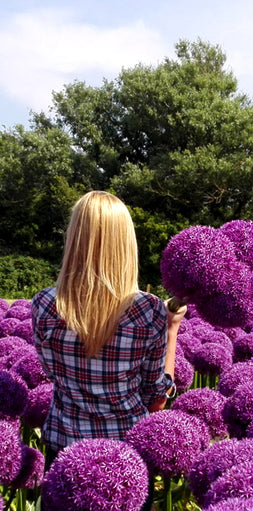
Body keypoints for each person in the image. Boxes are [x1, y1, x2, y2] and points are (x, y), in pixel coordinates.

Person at [31, 190, 186, 467]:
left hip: (64, 452)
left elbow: (52, 374)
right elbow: (156, 401)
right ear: (126, 244)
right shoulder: (148, 310)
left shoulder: (44, 303)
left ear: (74, 239)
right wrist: (172, 328)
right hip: (126, 457)